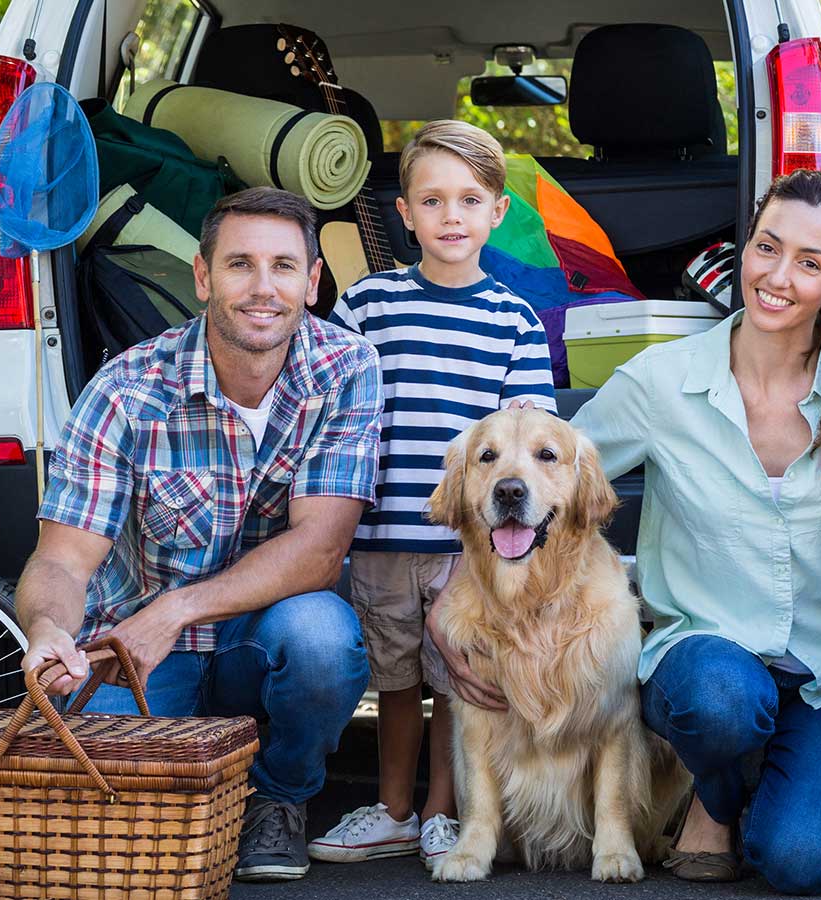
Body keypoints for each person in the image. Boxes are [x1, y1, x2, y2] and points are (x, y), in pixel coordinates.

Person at [427, 169, 821, 894]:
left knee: (799, 863)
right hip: (709, 661)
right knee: (718, 701)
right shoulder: (662, 381)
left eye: (811, 264)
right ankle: (714, 798)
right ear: (743, 248)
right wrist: (456, 592)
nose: (778, 277)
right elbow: (535, 477)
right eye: (767, 247)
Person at [14, 186, 379, 884]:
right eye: (240, 265)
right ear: (204, 276)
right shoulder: (126, 389)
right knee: (109, 835)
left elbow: (320, 550)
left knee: (324, 641)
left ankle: (279, 796)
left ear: (312, 280)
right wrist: (48, 630)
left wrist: (175, 610)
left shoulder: (346, 369)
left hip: (255, 639)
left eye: (282, 266)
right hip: (134, 654)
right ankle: (184, 776)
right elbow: (61, 559)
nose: (262, 288)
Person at [312, 119, 557, 872]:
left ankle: (442, 812)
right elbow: (337, 414)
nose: (452, 216)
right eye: (433, 200)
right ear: (405, 213)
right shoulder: (367, 305)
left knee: (461, 679)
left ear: (497, 213)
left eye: (469, 200)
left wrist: (479, 549)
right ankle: (390, 809)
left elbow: (525, 447)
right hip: (383, 535)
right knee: (393, 676)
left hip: (469, 550)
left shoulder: (514, 321)